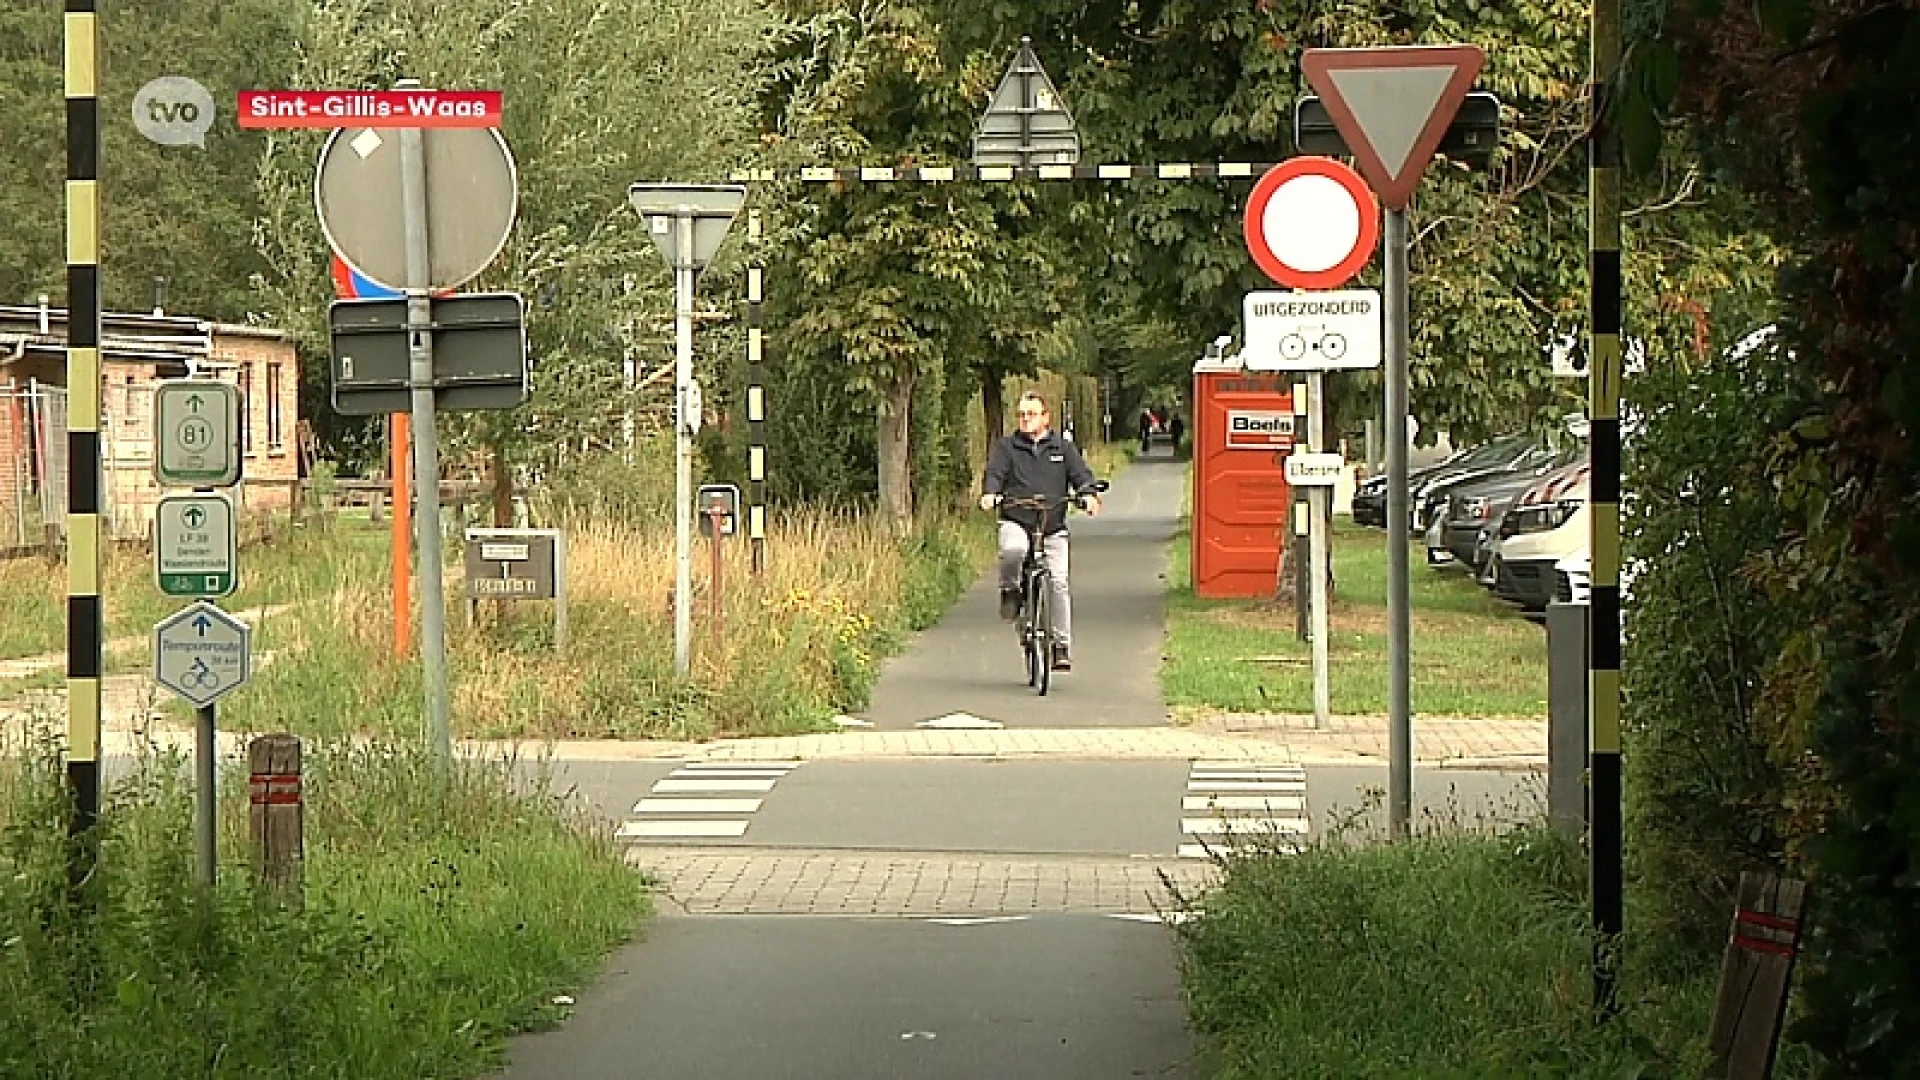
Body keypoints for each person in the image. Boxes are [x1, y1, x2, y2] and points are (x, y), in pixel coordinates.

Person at [980, 390, 1103, 671]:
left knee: (1058, 581)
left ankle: (1060, 646)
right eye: (1022, 415)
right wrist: (991, 494)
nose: (1025, 419)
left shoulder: (1063, 449)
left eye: (1031, 414)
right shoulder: (1007, 448)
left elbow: (1081, 476)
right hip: (1017, 520)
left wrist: (1088, 495)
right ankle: (1010, 591)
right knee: (1013, 550)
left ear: (1045, 418)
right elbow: (995, 474)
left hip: (1052, 526)